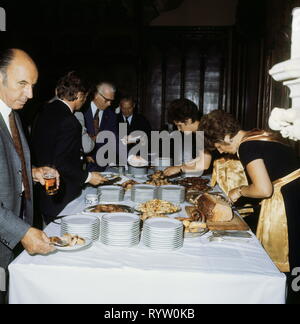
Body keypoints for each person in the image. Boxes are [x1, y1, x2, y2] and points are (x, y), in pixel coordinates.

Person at [199, 109, 300, 274]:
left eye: (219, 146)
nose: (221, 151)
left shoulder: (247, 146)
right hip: (295, 192)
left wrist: (239, 191)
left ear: (225, 137)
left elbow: (263, 189)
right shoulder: (257, 134)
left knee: (290, 260)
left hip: (289, 201)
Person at [0, 49, 57, 280]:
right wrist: (21, 232)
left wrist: (31, 173)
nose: (30, 94)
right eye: (22, 83)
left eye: (32, 85)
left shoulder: (12, 114)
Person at [32, 71, 107, 224]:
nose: (84, 102)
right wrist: (89, 177)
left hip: (43, 194)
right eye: (85, 97)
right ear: (79, 95)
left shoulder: (43, 111)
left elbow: (49, 149)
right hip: (62, 195)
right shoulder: (70, 121)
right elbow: (61, 163)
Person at [163, 98, 217, 176]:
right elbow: (201, 158)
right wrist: (180, 167)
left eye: (179, 125)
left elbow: (204, 165)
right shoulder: (201, 129)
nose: (178, 129)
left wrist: (180, 168)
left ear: (188, 120)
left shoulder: (204, 131)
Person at [83, 82, 118, 171]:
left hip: (103, 167)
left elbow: (115, 139)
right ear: (96, 95)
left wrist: (130, 156)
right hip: (82, 167)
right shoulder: (81, 111)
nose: (110, 104)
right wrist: (84, 155)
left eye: (111, 101)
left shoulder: (111, 115)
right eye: (107, 100)